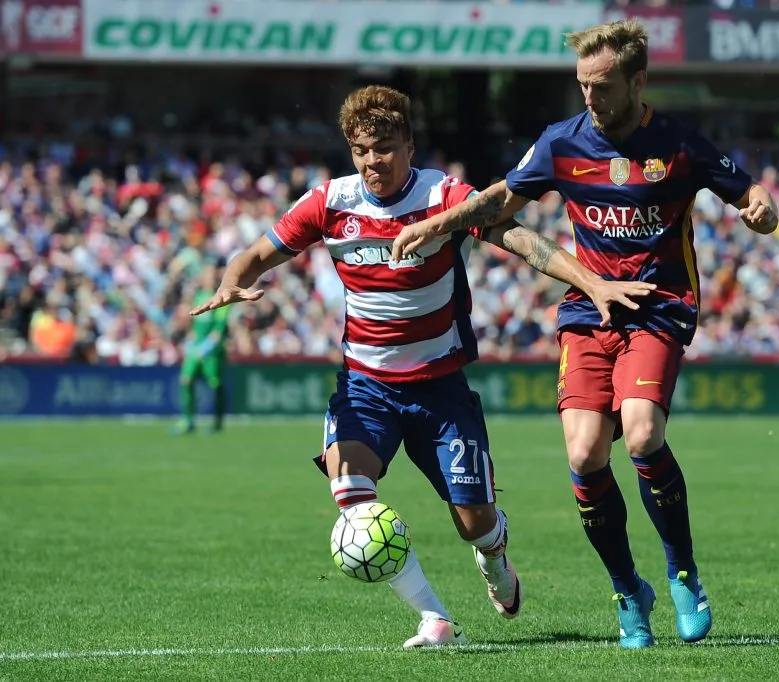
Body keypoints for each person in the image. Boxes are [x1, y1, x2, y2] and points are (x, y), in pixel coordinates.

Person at [189, 85, 654, 648]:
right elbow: (256, 253)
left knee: (474, 524)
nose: (371, 162)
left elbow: (519, 237)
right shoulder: (329, 203)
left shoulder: (444, 196)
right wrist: (231, 280)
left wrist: (592, 281)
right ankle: (434, 618)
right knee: (351, 493)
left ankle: (495, 557)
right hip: (366, 386)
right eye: (361, 150)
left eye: (383, 147)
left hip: (440, 389)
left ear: (408, 143)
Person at [389, 20, 779, 648]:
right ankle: (629, 590)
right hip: (589, 313)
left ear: (638, 82)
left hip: (658, 306)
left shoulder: (678, 144)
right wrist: (438, 225)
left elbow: (747, 191)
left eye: (601, 86)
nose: (590, 98)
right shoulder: (560, 142)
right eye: (581, 86)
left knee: (644, 431)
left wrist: (763, 208)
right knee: (583, 454)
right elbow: (499, 202)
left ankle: (682, 571)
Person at [173, 263, 230, 435]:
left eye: (212, 276)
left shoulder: (223, 298)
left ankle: (217, 423)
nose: (209, 279)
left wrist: (206, 347)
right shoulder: (199, 297)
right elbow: (194, 323)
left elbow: (219, 329)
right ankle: (188, 421)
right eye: (207, 275)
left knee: (215, 385)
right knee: (186, 379)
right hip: (196, 348)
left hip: (212, 351)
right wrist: (190, 343)